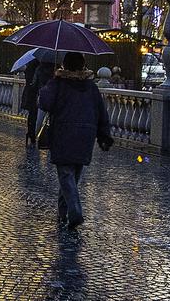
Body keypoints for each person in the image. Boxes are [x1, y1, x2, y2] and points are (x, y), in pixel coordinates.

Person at [37, 51, 113, 228]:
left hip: (63, 133)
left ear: (65, 66)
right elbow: (101, 112)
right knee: (73, 176)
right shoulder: (91, 87)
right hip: (85, 136)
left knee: (65, 176)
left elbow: (44, 103)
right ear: (83, 66)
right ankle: (62, 214)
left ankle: (75, 211)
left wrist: (49, 82)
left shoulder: (58, 84)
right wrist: (104, 135)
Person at [22, 59, 55, 146]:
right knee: (52, 118)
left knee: (36, 117)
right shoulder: (55, 68)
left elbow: (33, 83)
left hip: (40, 95)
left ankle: (33, 135)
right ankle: (50, 137)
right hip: (53, 96)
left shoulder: (38, 68)